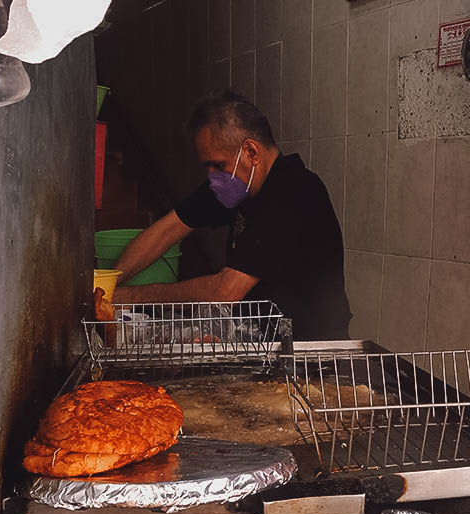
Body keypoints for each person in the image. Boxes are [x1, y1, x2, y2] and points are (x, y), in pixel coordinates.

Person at [112, 91, 352, 341]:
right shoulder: (238, 184)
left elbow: (225, 290)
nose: (213, 177)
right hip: (261, 342)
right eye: (208, 167)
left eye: (218, 165)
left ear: (251, 152)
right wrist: (111, 284)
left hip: (312, 351)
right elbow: (168, 229)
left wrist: (130, 297)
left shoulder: (295, 191)